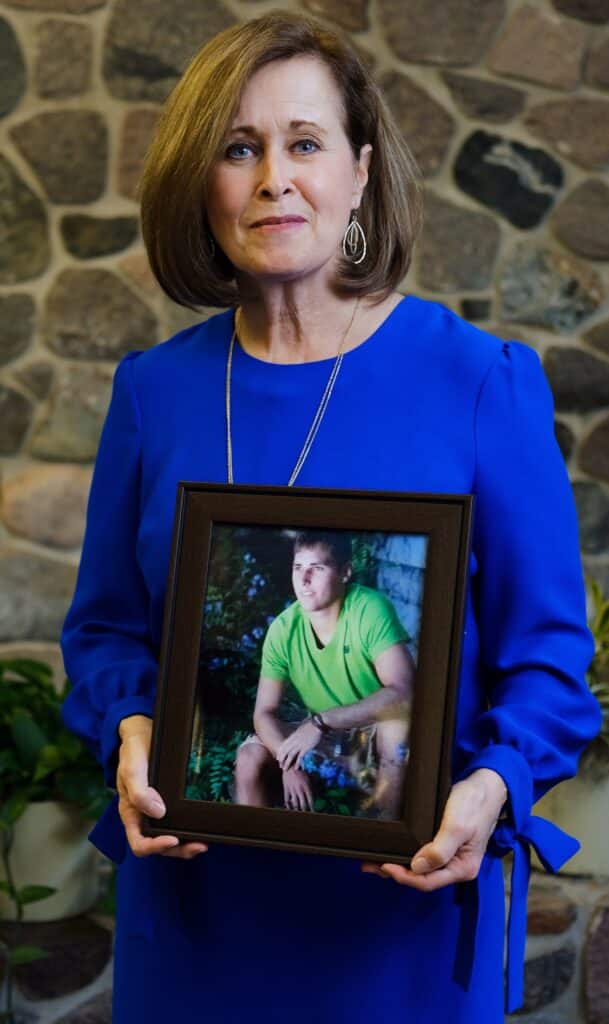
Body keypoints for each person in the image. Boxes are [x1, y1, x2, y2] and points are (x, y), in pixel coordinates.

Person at [59, 11, 601, 1023]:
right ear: (203, 182)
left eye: (304, 143)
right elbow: (104, 632)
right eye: (238, 147)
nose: (273, 178)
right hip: (193, 921)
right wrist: (133, 728)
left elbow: (549, 666)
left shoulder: (481, 382)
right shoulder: (153, 393)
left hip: (400, 931)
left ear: (358, 171)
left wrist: (489, 789)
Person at [234, 530, 414, 817]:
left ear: (345, 572)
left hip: (370, 729)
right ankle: (254, 850)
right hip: (322, 732)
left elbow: (404, 694)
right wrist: (288, 763)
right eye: (298, 568)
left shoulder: (369, 609)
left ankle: (384, 841)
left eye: (316, 568)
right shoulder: (283, 629)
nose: (303, 581)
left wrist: (321, 722)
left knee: (396, 731)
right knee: (248, 757)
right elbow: (263, 712)